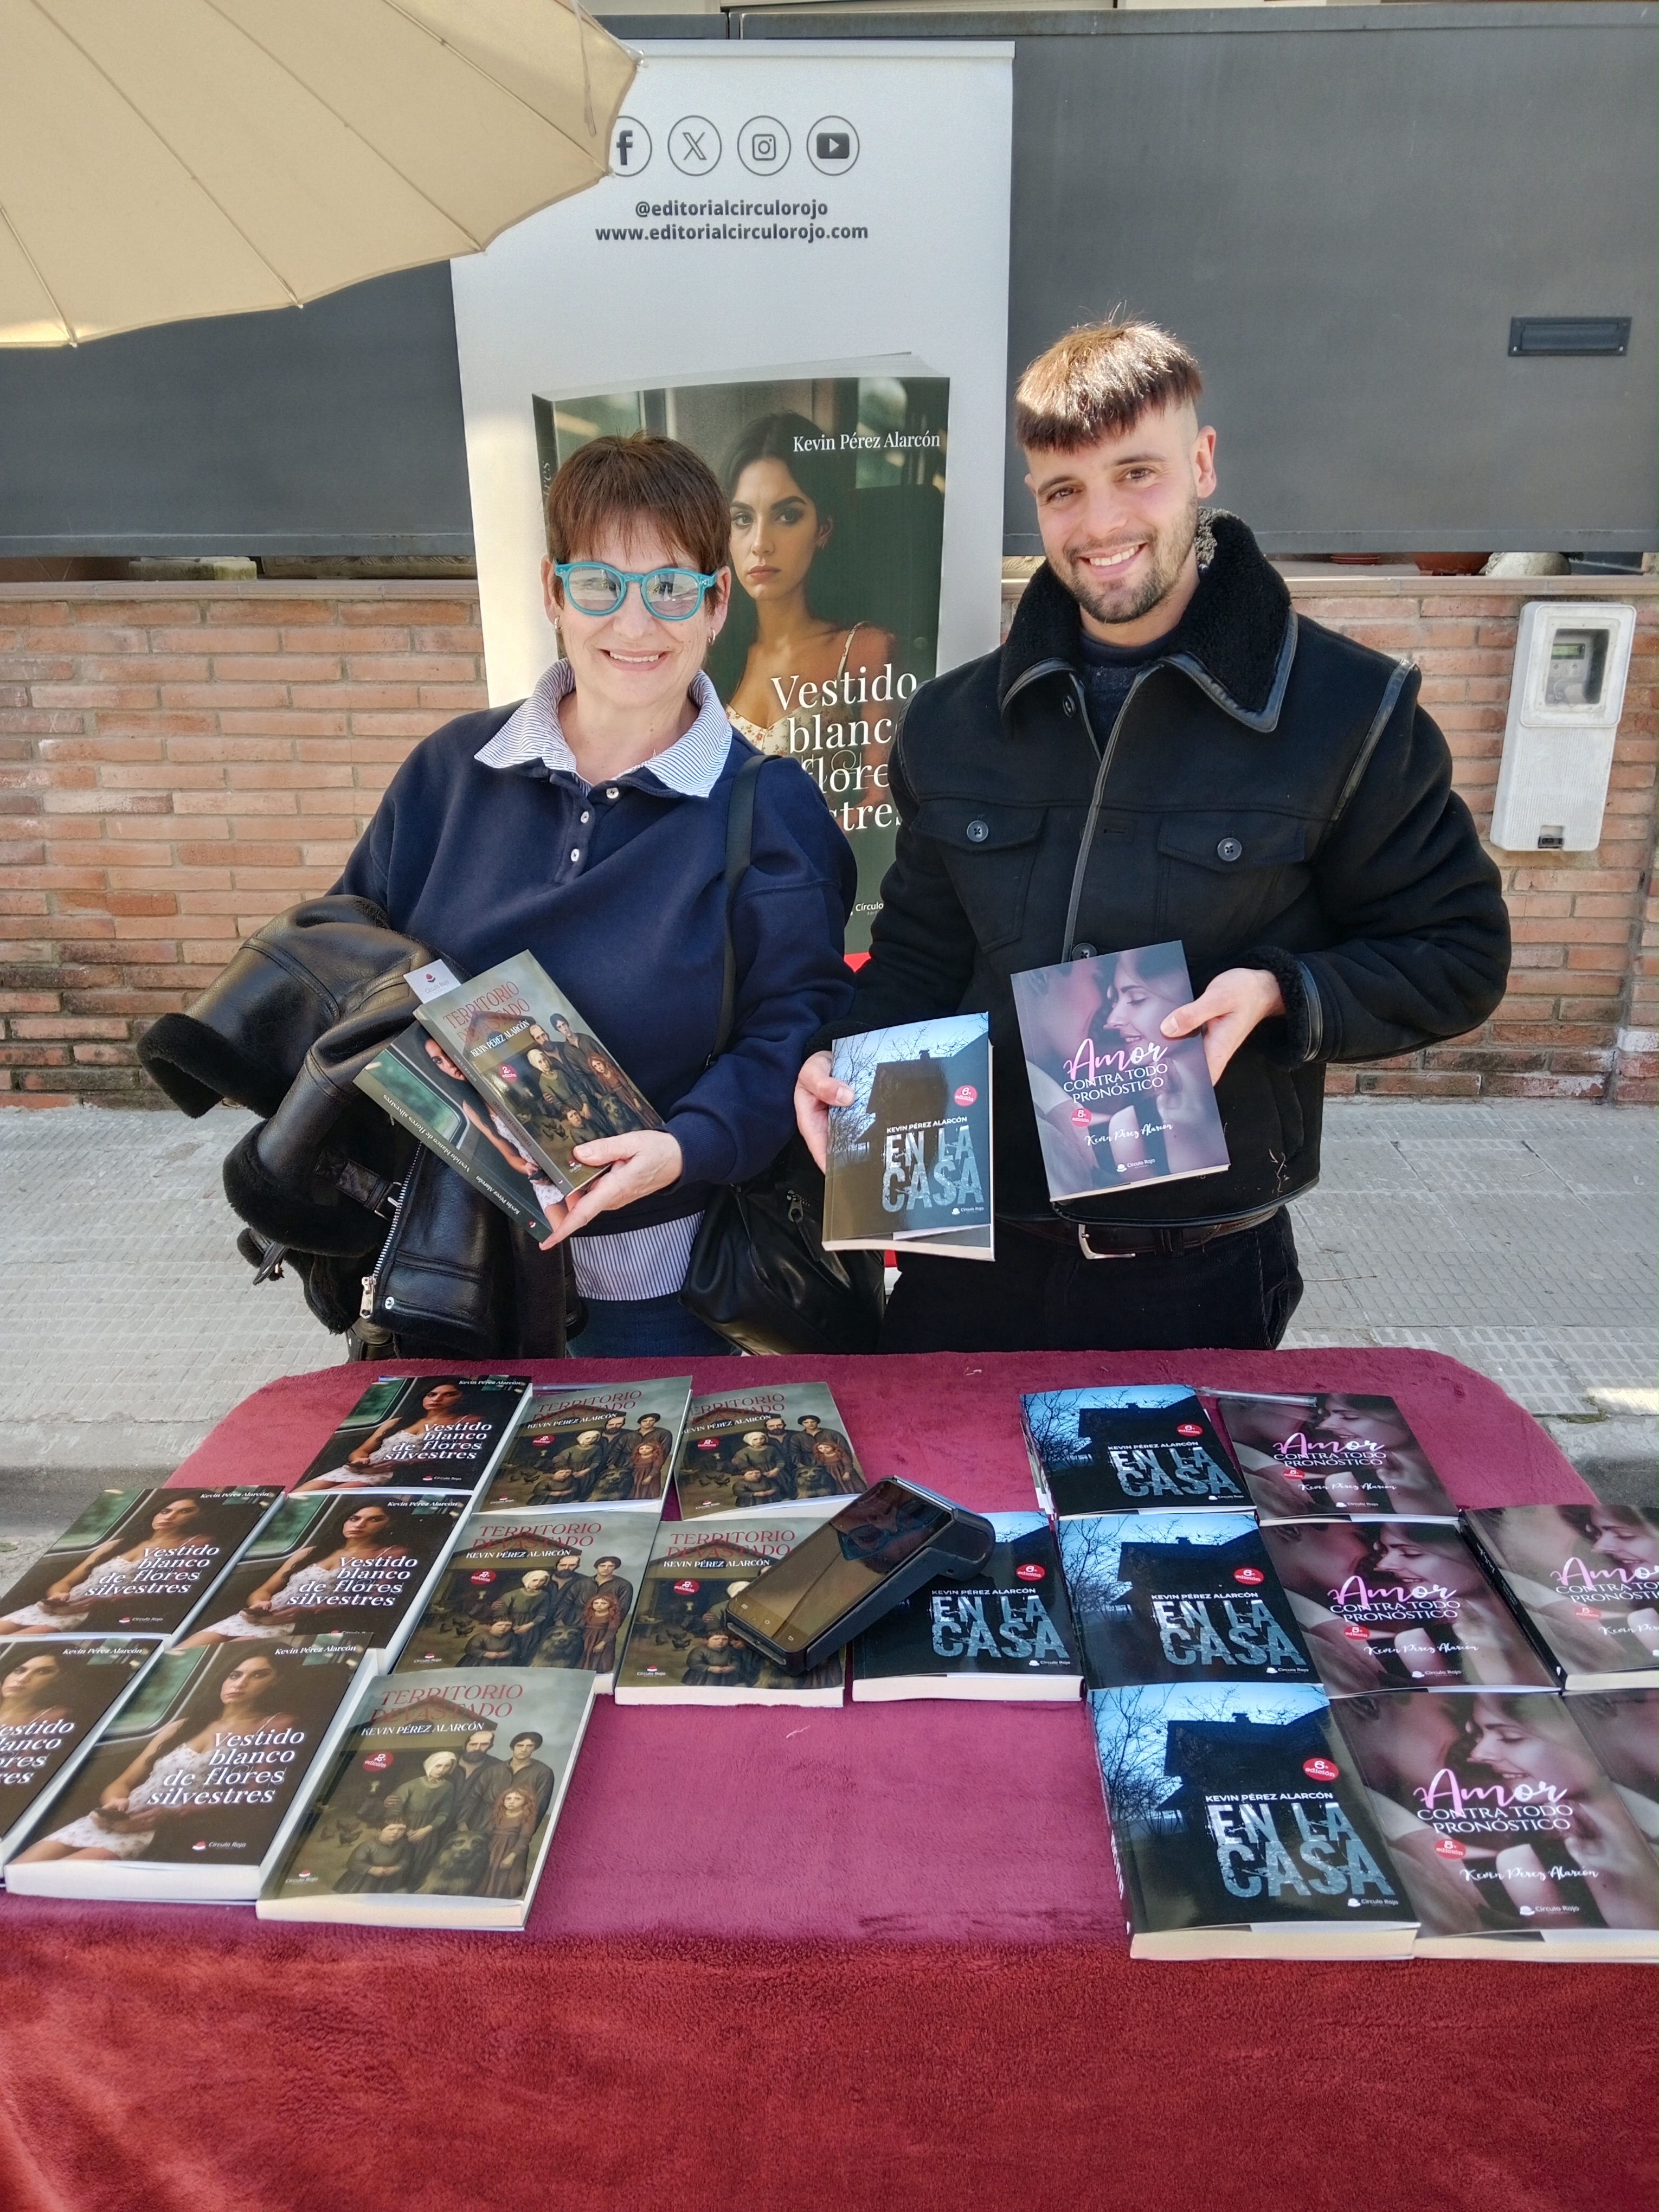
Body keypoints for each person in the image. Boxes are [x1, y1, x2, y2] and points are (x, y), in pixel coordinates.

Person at [796, 319, 1510, 1352]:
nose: (1101, 523)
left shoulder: (1349, 714)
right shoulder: (953, 725)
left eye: (1137, 474)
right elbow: (918, 958)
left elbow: (1458, 955)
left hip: (1198, 1273)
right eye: (1064, 490)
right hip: (971, 1261)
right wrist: (841, 1065)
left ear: (1202, 464)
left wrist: (1280, 992)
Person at [334, 432, 857, 1358]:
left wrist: (687, 1146)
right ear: (553, 593)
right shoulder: (449, 774)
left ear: (717, 602)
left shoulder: (768, 809)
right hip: (449, 1275)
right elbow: (354, 959)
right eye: (600, 585)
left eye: (670, 588)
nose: (635, 623)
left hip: (654, 1296)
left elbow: (796, 1026)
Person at [712, 413, 899, 765]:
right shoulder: (712, 656)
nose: (760, 544)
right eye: (743, 519)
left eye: (787, 516)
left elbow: (880, 792)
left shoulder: (864, 650)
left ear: (823, 529)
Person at [16, 1654, 301, 1863]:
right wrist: (114, 1803)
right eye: (235, 1675)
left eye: (259, 1675)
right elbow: (124, 1782)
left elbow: (255, 1791)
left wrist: (172, 1815)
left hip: (164, 1824)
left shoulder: (277, 1724)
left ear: (277, 1681)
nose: (241, 1683)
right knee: (19, 1868)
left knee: (56, 1876)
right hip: (121, 1815)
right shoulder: (181, 1726)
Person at [181, 1502, 413, 1647]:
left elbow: (376, 1598)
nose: (360, 1524)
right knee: (188, 1647)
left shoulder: (391, 1554)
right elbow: (265, 1590)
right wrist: (259, 1605)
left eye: (374, 1519)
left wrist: (309, 1611)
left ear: (389, 1524)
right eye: (355, 1518)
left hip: (304, 1621)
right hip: (263, 1615)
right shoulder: (310, 1552)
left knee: (234, 1650)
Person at [0, 1494, 216, 1635]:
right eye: (166, 1511)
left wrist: (102, 1602)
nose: (170, 1516)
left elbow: (173, 1587)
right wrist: (58, 1596)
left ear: (199, 1516)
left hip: (91, 1611)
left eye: (185, 1511)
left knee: (14, 1642)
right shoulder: (117, 1544)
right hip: (60, 1605)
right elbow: (66, 1582)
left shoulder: (196, 1543)